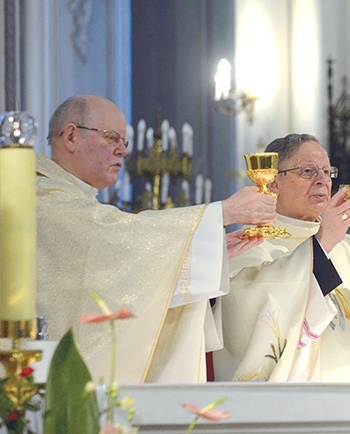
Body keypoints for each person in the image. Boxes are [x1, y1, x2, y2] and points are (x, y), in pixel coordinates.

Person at [37, 94, 276, 383]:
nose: (122, 151)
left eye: (124, 142)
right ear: (72, 136)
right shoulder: (43, 198)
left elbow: (120, 267)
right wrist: (222, 213)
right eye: (112, 138)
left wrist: (199, 250)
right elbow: (109, 235)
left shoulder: (72, 198)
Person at [212, 133, 350, 381]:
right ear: (274, 182)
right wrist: (322, 244)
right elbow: (246, 314)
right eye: (308, 171)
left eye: (326, 171)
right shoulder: (248, 245)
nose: (322, 180)